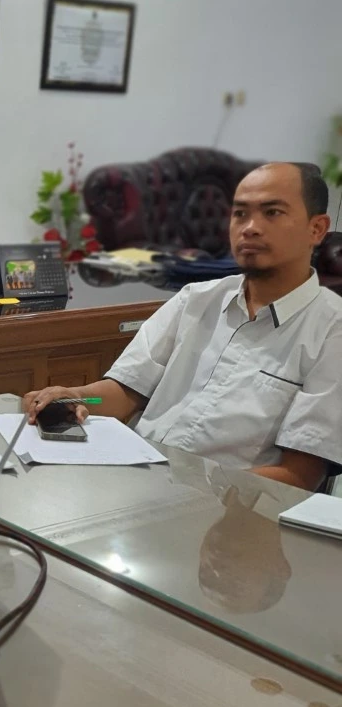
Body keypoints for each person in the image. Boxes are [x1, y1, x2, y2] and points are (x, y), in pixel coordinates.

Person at [24, 162, 342, 490]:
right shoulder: (196, 299)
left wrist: (192, 495)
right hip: (134, 484)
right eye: (240, 214)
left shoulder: (332, 331)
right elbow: (125, 392)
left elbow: (298, 477)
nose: (250, 228)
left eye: (272, 212)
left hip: (228, 518)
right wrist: (75, 396)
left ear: (316, 229)